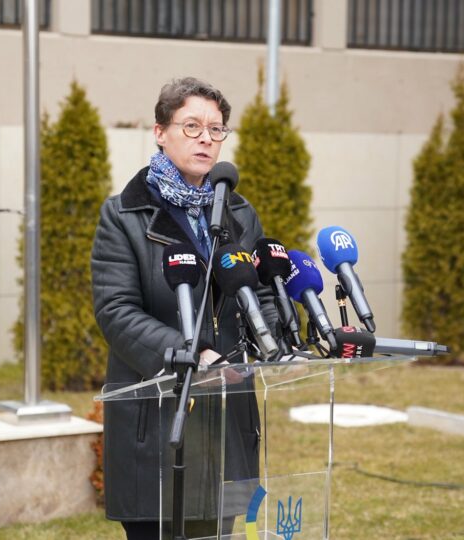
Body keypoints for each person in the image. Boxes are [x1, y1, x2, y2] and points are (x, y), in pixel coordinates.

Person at [91, 77, 277, 539]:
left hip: (228, 423)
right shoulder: (124, 215)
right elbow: (117, 311)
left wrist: (274, 341)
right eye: (192, 126)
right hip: (157, 424)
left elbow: (260, 294)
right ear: (160, 132)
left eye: (216, 129)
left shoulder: (240, 214)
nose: (205, 139)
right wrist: (192, 354)